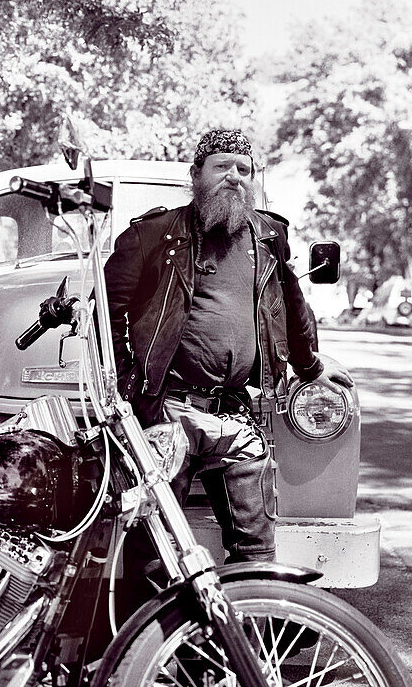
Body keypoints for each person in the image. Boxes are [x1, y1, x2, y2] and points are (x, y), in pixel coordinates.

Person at [104, 127, 352, 568]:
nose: (234, 177)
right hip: (168, 411)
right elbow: (109, 311)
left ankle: (247, 626)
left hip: (234, 412)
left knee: (256, 547)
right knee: (156, 550)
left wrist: (310, 367)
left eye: (243, 169)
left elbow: (290, 306)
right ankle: (152, 636)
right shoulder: (153, 236)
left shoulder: (268, 237)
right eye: (222, 167)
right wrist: (132, 388)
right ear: (196, 174)